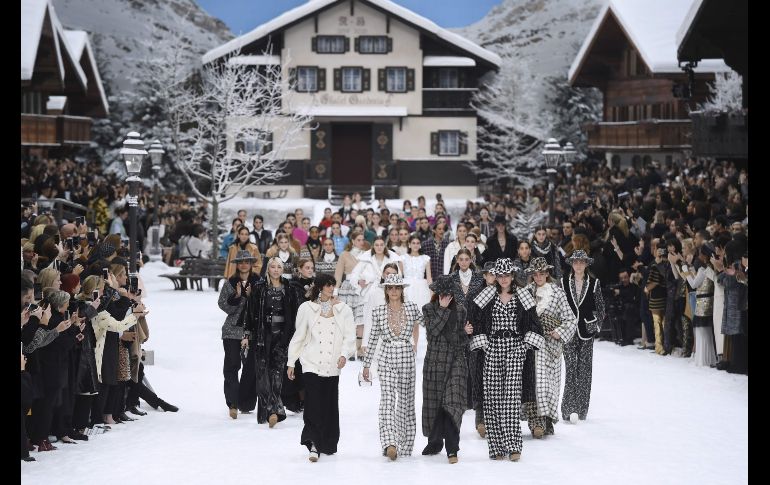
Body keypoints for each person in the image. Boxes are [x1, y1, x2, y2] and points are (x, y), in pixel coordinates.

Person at [468, 258, 543, 461]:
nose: (503, 279)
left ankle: (514, 445)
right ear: (495, 277)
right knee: (492, 397)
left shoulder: (523, 295)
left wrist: (525, 345)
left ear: (512, 276)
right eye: (500, 275)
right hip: (492, 348)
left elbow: (534, 323)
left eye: (507, 275)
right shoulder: (486, 295)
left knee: (511, 398)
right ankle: (496, 447)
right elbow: (474, 319)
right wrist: (482, 342)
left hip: (515, 348)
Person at [287, 273, 356, 462]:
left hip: (332, 364)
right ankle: (313, 443)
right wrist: (291, 361)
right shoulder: (307, 308)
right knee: (312, 404)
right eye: (327, 285)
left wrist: (344, 354)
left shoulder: (343, 310)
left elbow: (349, 336)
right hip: (311, 362)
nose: (331, 288)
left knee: (329, 404)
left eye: (332, 285)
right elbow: (299, 336)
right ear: (319, 287)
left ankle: (327, 442)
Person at [361, 274, 422, 461]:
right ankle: (390, 443)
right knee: (387, 400)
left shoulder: (412, 308)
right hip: (386, 356)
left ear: (402, 290)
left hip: (406, 357)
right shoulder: (379, 311)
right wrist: (366, 365)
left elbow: (429, 322)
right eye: (390, 287)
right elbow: (372, 338)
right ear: (386, 290)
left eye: (397, 287)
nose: (394, 291)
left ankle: (404, 444)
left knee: (405, 402)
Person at [420, 275, 473, 464]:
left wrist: (465, 334)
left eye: (449, 293)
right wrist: (442, 309)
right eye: (442, 293)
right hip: (435, 363)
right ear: (437, 293)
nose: (446, 296)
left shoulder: (461, 310)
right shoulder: (428, 309)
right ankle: (435, 442)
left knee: (453, 404)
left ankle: (452, 449)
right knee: (435, 406)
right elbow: (432, 332)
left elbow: (461, 341)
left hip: (456, 362)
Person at [243, 257, 298, 427]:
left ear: (283, 269)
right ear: (268, 268)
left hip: (282, 335)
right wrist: (246, 335)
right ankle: (269, 411)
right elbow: (250, 312)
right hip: (262, 335)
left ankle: (273, 411)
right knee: (262, 374)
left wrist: (295, 337)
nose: (276, 270)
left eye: (279, 267)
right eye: (273, 266)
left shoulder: (289, 288)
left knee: (277, 374)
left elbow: (295, 314)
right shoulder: (259, 287)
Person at [559, 250, 603, 424]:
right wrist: (560, 326)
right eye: (575, 262)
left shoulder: (594, 283)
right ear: (572, 264)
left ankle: (581, 410)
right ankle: (568, 409)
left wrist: (596, 326)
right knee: (571, 369)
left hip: (587, 330)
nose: (578, 265)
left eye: (581, 262)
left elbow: (600, 306)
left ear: (586, 264)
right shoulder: (563, 282)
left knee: (584, 371)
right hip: (568, 331)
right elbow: (559, 306)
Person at [217, 250, 261, 419]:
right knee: (231, 366)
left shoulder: (259, 282)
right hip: (231, 331)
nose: (243, 265)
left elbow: (262, 306)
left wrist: (251, 296)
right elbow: (223, 305)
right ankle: (233, 403)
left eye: (247, 262)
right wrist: (236, 296)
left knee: (251, 368)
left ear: (251, 264)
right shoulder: (230, 282)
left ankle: (246, 403)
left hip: (252, 331)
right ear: (237, 264)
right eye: (240, 262)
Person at [681, 244, 718, 367]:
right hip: (708, 302)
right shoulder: (710, 268)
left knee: (702, 332)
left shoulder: (704, 269)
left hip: (702, 303)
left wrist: (685, 270)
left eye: (701, 254)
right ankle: (709, 359)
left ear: (705, 256)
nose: (699, 256)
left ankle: (703, 360)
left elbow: (693, 284)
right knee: (706, 332)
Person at [333, 230, 367, 360]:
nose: (361, 242)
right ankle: (350, 350)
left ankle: (360, 350)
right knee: (348, 320)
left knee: (361, 319)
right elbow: (338, 274)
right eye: (358, 240)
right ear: (352, 241)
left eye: (362, 240)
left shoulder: (366, 255)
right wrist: (335, 291)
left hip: (362, 289)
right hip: (347, 288)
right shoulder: (344, 255)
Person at [402, 236, 432, 308]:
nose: (415, 245)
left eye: (418, 243)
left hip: (422, 288)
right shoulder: (403, 258)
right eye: (413, 243)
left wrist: (432, 292)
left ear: (420, 245)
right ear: (409, 244)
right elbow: (399, 275)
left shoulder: (426, 258)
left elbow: (429, 277)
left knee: (421, 307)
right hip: (406, 288)